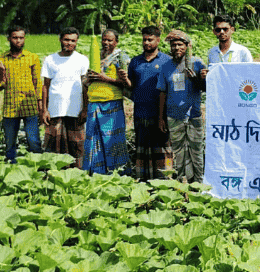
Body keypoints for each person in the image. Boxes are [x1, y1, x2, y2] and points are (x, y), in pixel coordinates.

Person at [158, 30, 207, 184]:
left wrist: (195, 79)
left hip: (194, 115)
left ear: (187, 46)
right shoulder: (166, 67)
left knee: (196, 151)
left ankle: (199, 183)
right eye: (173, 45)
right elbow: (162, 93)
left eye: (180, 44)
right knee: (178, 153)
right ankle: (182, 183)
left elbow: (206, 88)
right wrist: (161, 117)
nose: (177, 48)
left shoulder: (197, 63)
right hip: (174, 116)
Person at [82, 29, 132, 175]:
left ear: (116, 42)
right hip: (94, 103)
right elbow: (86, 81)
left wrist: (105, 78)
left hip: (112, 103)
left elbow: (127, 83)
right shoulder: (95, 55)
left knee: (112, 139)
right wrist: (89, 79)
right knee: (94, 139)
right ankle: (96, 172)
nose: (106, 43)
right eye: (104, 39)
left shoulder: (121, 58)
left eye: (110, 40)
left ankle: (116, 173)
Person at [127, 26, 173, 180]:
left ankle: (164, 183)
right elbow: (131, 87)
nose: (146, 43)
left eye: (150, 39)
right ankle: (144, 183)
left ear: (158, 40)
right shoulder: (135, 62)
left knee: (161, 150)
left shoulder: (167, 61)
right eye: (144, 39)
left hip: (160, 114)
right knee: (143, 150)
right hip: (140, 112)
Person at [0, 25, 43, 162]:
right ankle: (11, 169)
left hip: (30, 105)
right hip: (10, 107)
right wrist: (2, 70)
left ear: (24, 39)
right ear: (9, 39)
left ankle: (38, 169)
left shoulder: (32, 57)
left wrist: (40, 105)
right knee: (10, 144)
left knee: (34, 142)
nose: (18, 41)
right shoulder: (1, 59)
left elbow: (37, 82)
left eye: (21, 38)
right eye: (15, 38)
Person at [41, 27, 89, 167]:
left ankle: (77, 176)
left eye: (73, 40)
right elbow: (45, 86)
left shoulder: (82, 60)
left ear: (77, 42)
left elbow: (85, 86)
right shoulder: (50, 59)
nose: (69, 43)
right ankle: (54, 175)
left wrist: (85, 109)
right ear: (60, 39)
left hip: (75, 110)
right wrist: (44, 109)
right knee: (54, 146)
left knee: (77, 146)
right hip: (55, 110)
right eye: (66, 39)